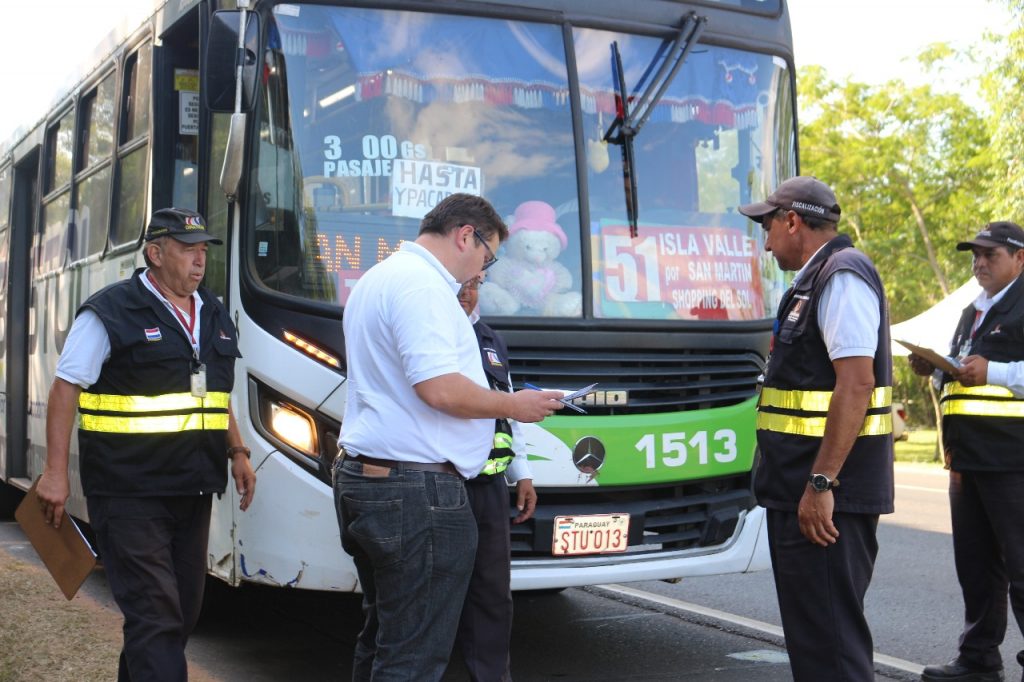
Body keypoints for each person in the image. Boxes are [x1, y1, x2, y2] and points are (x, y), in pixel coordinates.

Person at [333, 192, 565, 682]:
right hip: (417, 490)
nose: (482, 271)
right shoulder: (424, 286)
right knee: (413, 655)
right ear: (465, 236)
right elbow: (439, 388)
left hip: (373, 476)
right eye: (487, 256)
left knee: (384, 637)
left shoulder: (380, 277)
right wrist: (515, 406)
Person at [35, 207, 257, 682]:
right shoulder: (111, 311)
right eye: (188, 249)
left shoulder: (213, 312)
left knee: (179, 615)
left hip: (193, 488)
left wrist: (237, 451)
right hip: (128, 492)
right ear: (155, 254)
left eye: (203, 249)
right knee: (156, 616)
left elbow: (213, 393)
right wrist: (54, 473)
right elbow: (65, 387)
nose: (200, 260)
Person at [738, 176, 895, 681]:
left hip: (825, 499)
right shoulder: (814, 280)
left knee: (831, 647)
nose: (765, 243)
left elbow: (857, 383)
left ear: (792, 221)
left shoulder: (840, 276)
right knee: (816, 642)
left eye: (766, 226)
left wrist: (821, 483)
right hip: (801, 492)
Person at [912, 221, 1024, 682]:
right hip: (968, 457)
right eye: (975, 255)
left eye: (989, 255)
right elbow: (964, 371)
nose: (979, 263)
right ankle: (978, 660)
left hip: (1012, 458)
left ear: (1020, 258)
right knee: (976, 566)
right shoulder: (972, 311)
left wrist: (994, 372)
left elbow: (990, 373)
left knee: (1021, 566)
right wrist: (936, 368)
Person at [455, 274, 537, 682]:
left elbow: (509, 410)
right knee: (433, 596)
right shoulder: (431, 332)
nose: (466, 295)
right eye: (458, 286)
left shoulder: (490, 339)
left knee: (492, 594)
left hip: (489, 485)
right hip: (444, 482)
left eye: (473, 286)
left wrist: (522, 474)